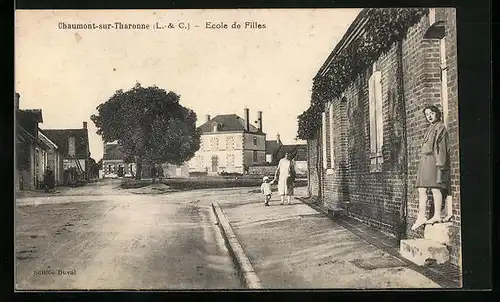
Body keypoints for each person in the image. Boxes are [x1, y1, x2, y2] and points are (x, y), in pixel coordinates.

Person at [411, 105, 451, 231]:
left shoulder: (441, 127)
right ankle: (421, 216)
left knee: (435, 187)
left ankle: (437, 215)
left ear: (437, 114)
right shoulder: (430, 128)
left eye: (431, 113)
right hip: (425, 160)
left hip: (434, 160)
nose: (429, 116)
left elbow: (442, 148)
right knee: (421, 189)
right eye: (427, 114)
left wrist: (441, 165)